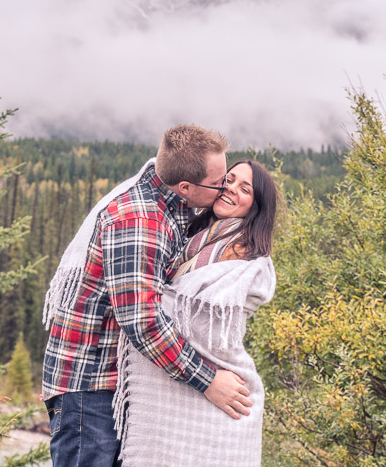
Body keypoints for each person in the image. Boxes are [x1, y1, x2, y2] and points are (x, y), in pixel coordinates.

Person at [42, 126, 254, 467]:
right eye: (219, 183)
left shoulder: (171, 206)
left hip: (110, 387)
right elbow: (143, 321)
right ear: (185, 186)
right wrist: (209, 381)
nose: (223, 190)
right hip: (90, 387)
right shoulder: (140, 221)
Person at [113, 160, 279, 467]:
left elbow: (197, 321)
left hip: (213, 381)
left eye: (245, 189)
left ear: (257, 206)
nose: (231, 189)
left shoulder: (240, 250)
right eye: (229, 180)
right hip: (172, 377)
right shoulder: (193, 236)